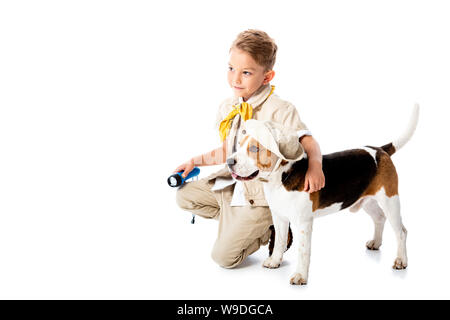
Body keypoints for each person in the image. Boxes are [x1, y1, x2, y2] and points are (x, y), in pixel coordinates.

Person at [173, 29, 325, 268]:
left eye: (246, 72)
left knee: (224, 258)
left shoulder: (280, 110)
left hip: (262, 197)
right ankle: (237, 223)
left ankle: (269, 228)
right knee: (184, 196)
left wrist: (315, 166)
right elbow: (227, 150)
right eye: (231, 68)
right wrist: (196, 161)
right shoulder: (230, 106)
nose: (235, 79)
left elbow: (308, 141)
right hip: (234, 186)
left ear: (267, 77)